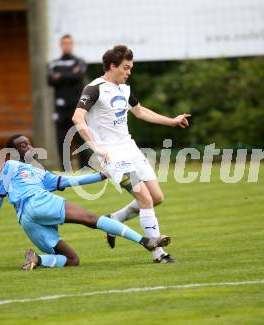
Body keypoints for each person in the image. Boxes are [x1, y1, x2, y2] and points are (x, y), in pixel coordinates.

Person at [0, 134, 170, 270]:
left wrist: (102, 176)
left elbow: (69, 180)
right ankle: (146, 241)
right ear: (11, 153)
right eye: (23, 145)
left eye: (29, 143)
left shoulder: (39, 172)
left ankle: (37, 259)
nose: (29, 147)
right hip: (37, 202)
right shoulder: (9, 165)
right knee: (91, 218)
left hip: (27, 220)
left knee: (72, 260)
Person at [72, 45, 190, 263]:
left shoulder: (124, 89)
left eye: (131, 68)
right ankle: (158, 254)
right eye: (125, 68)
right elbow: (77, 118)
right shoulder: (94, 89)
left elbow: (141, 112)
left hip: (131, 149)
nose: (128, 72)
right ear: (112, 66)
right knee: (145, 198)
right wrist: (95, 146)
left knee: (156, 198)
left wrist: (171, 121)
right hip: (113, 158)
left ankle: (113, 220)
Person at [47, 34, 90, 169]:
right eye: (64, 43)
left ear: (72, 45)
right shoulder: (54, 63)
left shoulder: (79, 61)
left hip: (76, 108)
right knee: (62, 140)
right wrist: (70, 74)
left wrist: (61, 76)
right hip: (60, 109)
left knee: (81, 137)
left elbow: (79, 76)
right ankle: (65, 168)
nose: (67, 46)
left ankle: (85, 168)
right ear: (61, 45)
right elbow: (50, 80)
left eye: (69, 43)